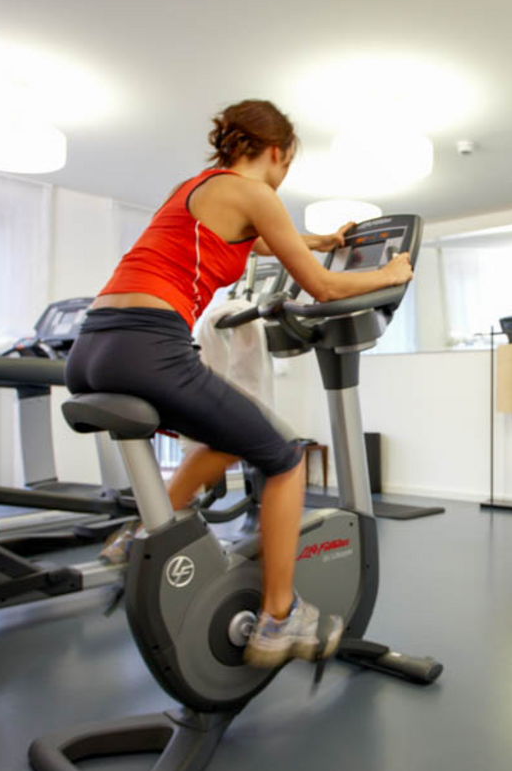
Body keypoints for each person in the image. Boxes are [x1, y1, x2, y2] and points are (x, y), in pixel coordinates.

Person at [65, 99, 413, 669]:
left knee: (234, 434)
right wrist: (390, 273)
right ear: (277, 151)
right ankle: (280, 616)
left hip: (93, 348)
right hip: (148, 344)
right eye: (287, 163)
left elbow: (251, 241)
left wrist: (320, 241)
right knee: (283, 456)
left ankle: (135, 539)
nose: (283, 175)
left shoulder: (194, 188)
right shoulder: (256, 193)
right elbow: (323, 290)